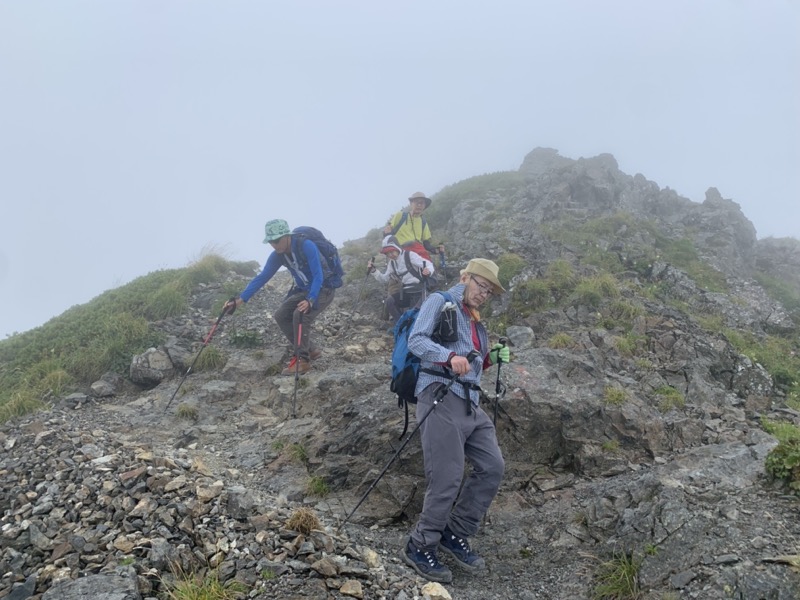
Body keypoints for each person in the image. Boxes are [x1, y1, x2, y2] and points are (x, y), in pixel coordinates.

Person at [401, 258, 510, 584]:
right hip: (439, 395)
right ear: (465, 277)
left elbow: (473, 366)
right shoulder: (441, 301)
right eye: (480, 285)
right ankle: (420, 544)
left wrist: (491, 359)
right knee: (447, 476)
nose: (483, 293)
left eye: (489, 290)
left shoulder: (477, 323)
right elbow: (417, 340)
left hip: (470, 403)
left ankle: (455, 531)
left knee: (493, 466)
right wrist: (449, 357)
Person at [224, 219, 336, 376]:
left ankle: (302, 360)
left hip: (324, 288)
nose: (274, 244)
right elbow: (263, 277)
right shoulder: (278, 255)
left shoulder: (306, 245)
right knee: (281, 315)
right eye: (271, 241)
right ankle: (311, 350)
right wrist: (241, 299)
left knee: (300, 314)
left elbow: (318, 274)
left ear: (287, 236)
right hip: (303, 289)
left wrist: (311, 300)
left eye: (277, 240)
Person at [368, 236, 435, 324]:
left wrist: (428, 271)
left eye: (392, 251)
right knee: (390, 302)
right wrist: (373, 271)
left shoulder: (409, 255)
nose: (390, 255)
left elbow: (428, 264)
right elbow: (384, 279)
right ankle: (401, 324)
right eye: (387, 253)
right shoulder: (392, 263)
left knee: (413, 315)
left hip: (420, 291)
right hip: (406, 292)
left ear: (397, 247)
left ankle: (407, 326)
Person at [383, 192, 439, 261]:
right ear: (411, 204)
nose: (419, 205)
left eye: (422, 203)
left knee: (429, 268)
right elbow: (387, 232)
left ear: (424, 206)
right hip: (401, 252)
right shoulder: (400, 216)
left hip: (418, 253)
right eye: (416, 202)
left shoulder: (423, 222)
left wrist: (436, 250)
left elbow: (426, 243)